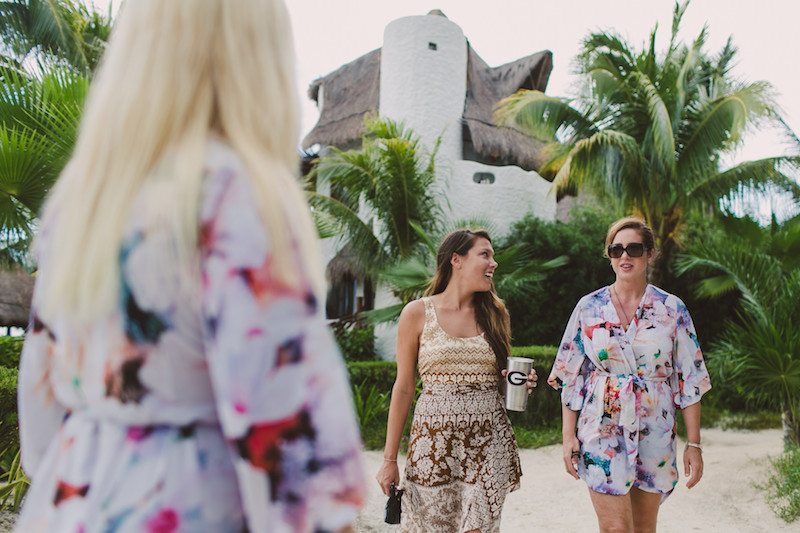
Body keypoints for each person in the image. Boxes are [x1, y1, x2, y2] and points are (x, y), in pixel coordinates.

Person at [15, 1, 365, 531]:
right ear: (256, 57)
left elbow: (39, 404)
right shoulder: (233, 197)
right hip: (187, 506)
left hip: (72, 506)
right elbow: (290, 453)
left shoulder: (82, 202)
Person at [548, 217, 712, 532]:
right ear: (609, 255)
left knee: (643, 527)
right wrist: (568, 437)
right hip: (601, 428)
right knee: (614, 527)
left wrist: (695, 444)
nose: (625, 256)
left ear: (649, 254)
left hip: (655, 431)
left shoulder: (671, 309)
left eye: (634, 249)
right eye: (616, 249)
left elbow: (690, 380)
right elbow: (571, 377)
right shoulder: (589, 307)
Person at [375, 229, 536, 533]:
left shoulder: (495, 313)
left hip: (488, 443)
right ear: (456, 260)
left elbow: (501, 379)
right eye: (485, 254)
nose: (494, 263)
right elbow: (405, 387)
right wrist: (389, 459)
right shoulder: (417, 313)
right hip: (433, 445)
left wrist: (517, 383)